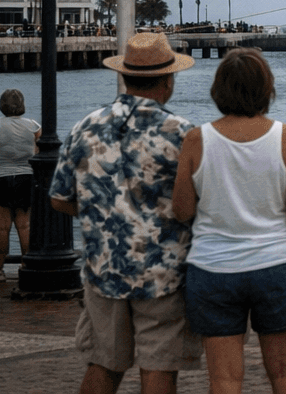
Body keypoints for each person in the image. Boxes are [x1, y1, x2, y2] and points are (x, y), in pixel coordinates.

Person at [50, 31, 203, 394]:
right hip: (164, 271)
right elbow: (196, 203)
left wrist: (102, 215)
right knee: (159, 367)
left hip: (104, 267)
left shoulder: (85, 127)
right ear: (168, 80)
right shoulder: (181, 133)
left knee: (104, 363)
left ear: (124, 75)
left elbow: (58, 197)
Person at [172, 48, 286, 394]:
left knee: (223, 379)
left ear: (218, 89)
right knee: (285, 373)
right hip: (278, 265)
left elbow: (182, 210)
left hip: (213, 269)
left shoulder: (197, 139)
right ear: (267, 89)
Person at [0, 87, 40, 283]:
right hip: (26, 177)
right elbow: (40, 151)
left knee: (1, 228)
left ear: (2, 105)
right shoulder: (33, 125)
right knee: (24, 226)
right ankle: (28, 266)